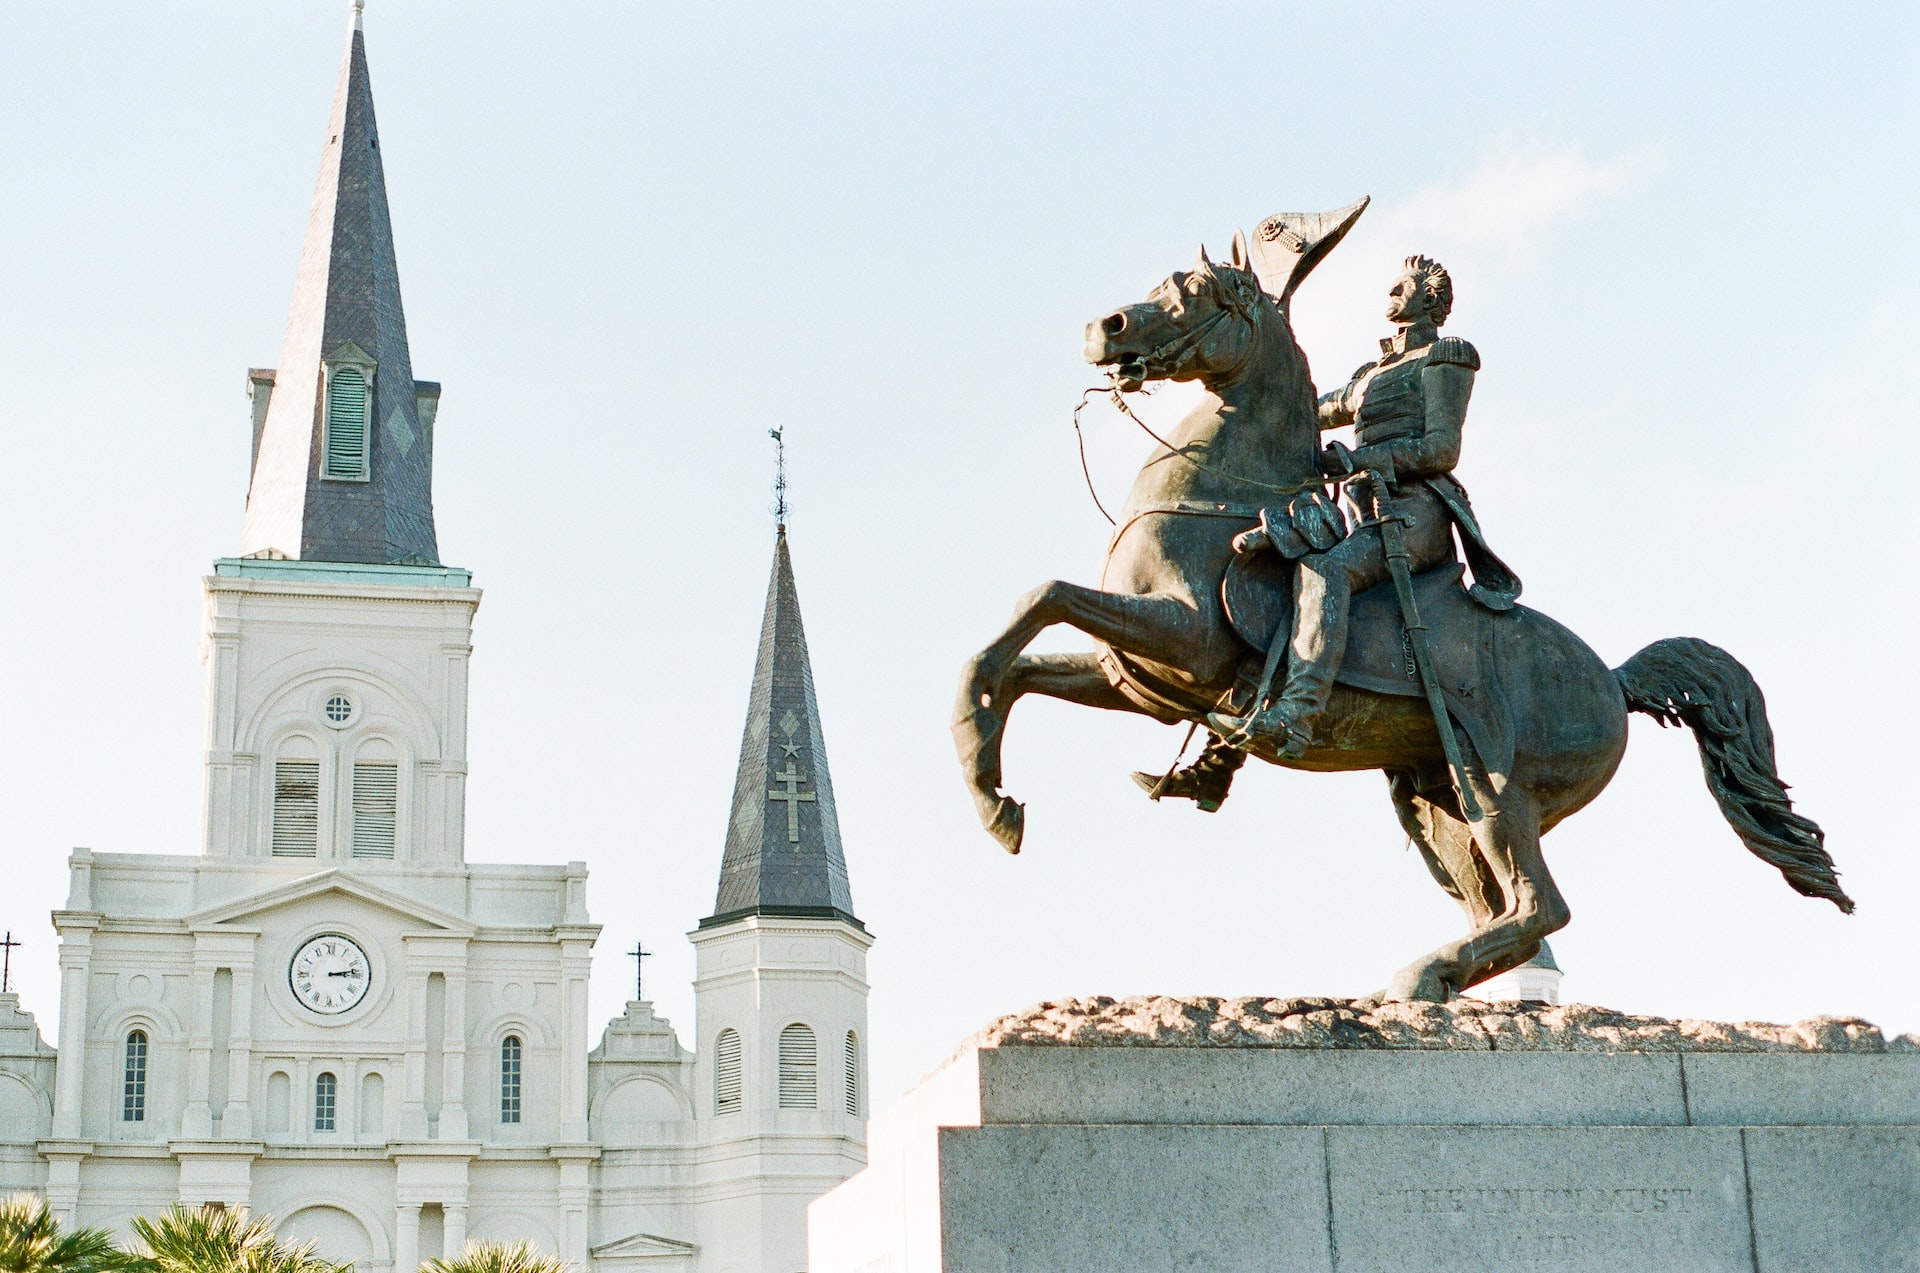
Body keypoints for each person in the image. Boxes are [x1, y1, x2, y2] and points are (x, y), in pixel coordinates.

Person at [1136, 254, 1519, 801]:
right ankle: (1218, 764)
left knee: (1324, 571)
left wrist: (1361, 460)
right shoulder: (1369, 375)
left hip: (1417, 514)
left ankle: (1297, 713)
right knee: (1271, 577)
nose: (1390, 289)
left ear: (1430, 299)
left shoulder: (1447, 356)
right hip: (1364, 514)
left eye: (1403, 284)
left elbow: (1442, 447)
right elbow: (1302, 411)